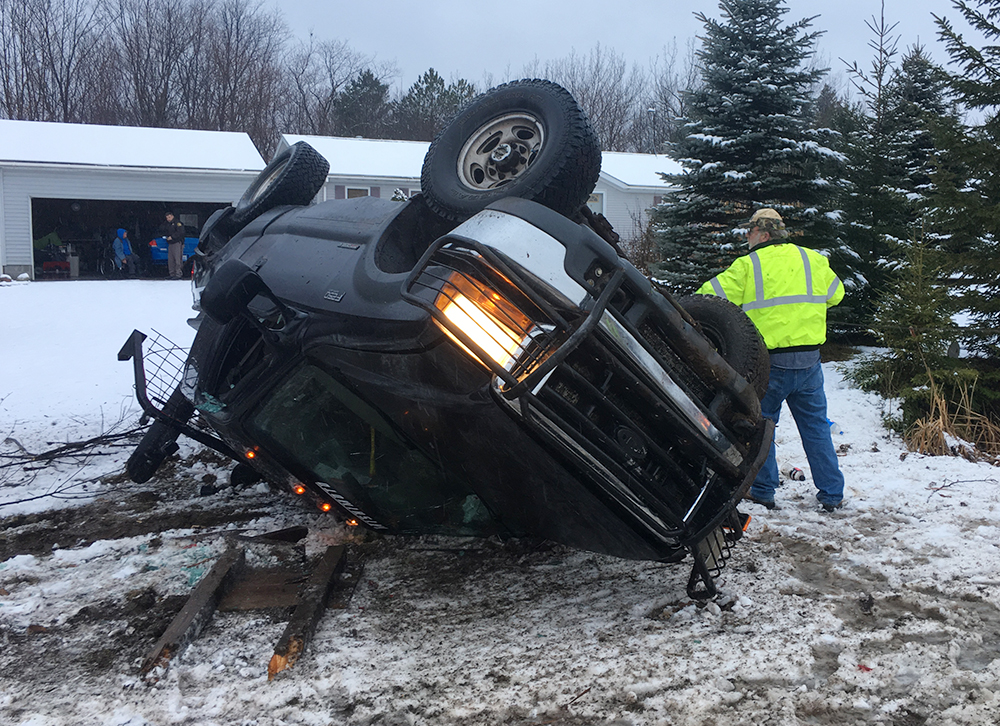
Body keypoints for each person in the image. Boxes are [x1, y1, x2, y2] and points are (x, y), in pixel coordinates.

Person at [696, 208, 846, 512]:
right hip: (809, 363)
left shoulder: (747, 266)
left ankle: (764, 490)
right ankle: (832, 493)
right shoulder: (812, 260)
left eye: (749, 232)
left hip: (770, 364)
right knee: (816, 427)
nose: (746, 237)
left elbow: (705, 298)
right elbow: (837, 294)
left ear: (763, 234)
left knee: (761, 427)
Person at [161, 211, 186, 280]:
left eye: (169, 217)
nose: (168, 219)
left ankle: (178, 274)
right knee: (171, 260)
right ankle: (172, 273)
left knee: (177, 259)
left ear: (172, 216)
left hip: (177, 243)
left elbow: (181, 232)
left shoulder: (177, 223)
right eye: (167, 218)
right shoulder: (168, 224)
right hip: (170, 243)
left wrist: (172, 237)